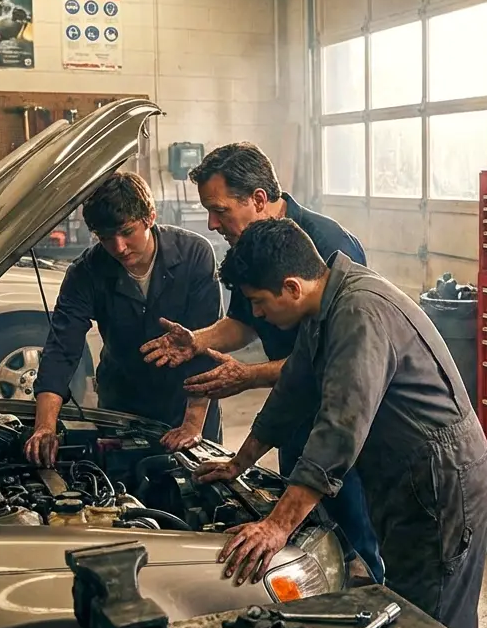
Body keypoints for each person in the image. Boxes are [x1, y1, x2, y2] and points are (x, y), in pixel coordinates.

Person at [192, 219, 487, 628]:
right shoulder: (324, 306)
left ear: (292, 287)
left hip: (440, 479)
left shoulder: (358, 313)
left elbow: (339, 429)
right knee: (413, 607)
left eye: (258, 302)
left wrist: (277, 526)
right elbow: (292, 391)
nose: (256, 314)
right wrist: (240, 463)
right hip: (407, 474)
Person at [139, 143, 384, 584]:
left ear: (256, 199)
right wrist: (197, 340)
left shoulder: (325, 246)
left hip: (339, 411)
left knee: (350, 529)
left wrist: (249, 376)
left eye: (218, 210)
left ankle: (364, 590)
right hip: (295, 406)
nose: (212, 223)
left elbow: (326, 364)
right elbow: (244, 321)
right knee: (307, 524)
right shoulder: (253, 246)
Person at [25, 173, 222, 468]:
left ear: (150, 217)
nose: (118, 247)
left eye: (127, 231)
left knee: (200, 496)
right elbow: (61, 350)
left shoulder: (194, 254)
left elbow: (207, 343)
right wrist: (44, 426)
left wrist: (193, 424)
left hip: (188, 401)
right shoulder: (85, 274)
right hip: (122, 404)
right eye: (105, 238)